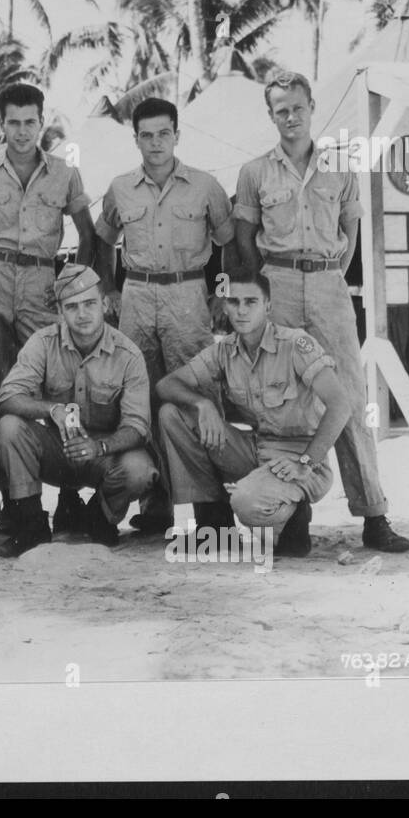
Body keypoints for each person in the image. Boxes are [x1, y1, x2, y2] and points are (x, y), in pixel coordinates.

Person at [233, 71, 409, 552]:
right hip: (280, 283)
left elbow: (351, 234)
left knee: (349, 396)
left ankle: (374, 514)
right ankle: (294, 515)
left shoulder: (340, 166)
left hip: (331, 286)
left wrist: (329, 273)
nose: (290, 117)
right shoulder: (254, 173)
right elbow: (246, 246)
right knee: (286, 397)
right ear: (270, 115)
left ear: (312, 106)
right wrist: (270, 290)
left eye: (297, 107)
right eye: (280, 110)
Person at [0, 83, 96, 536]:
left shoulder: (64, 174)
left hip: (42, 282)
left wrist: (76, 290)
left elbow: (88, 235)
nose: (21, 131)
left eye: (29, 122)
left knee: (57, 383)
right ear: (1, 123)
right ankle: (12, 502)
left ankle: (70, 493)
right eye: (12, 122)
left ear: (42, 122)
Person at [93, 96, 234, 533]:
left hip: (187, 293)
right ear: (135, 138)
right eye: (146, 135)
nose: (156, 143)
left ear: (178, 134)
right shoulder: (119, 187)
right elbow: (101, 238)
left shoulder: (205, 185)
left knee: (195, 394)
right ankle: (158, 503)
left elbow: (230, 241)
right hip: (137, 293)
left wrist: (220, 294)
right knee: (142, 398)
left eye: (164, 133)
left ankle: (212, 508)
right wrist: (109, 288)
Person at [155, 271, 351, 556]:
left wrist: (306, 461)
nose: (242, 310)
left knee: (246, 502)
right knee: (172, 415)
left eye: (251, 302)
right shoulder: (224, 351)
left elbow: (340, 405)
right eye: (234, 302)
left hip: (300, 458)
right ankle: (216, 526)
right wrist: (203, 404)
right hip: (255, 449)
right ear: (225, 306)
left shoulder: (295, 344)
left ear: (268, 306)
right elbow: (166, 385)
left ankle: (294, 516)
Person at [0, 264, 160, 557]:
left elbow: (138, 427)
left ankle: (100, 517)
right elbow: (7, 395)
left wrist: (99, 446)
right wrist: (52, 408)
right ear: (60, 312)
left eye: (90, 304)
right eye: (72, 307)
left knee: (140, 468)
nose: (82, 314)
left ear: (105, 304)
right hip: (59, 451)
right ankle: (31, 523)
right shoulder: (43, 343)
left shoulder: (128, 354)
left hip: (104, 456)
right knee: (9, 426)